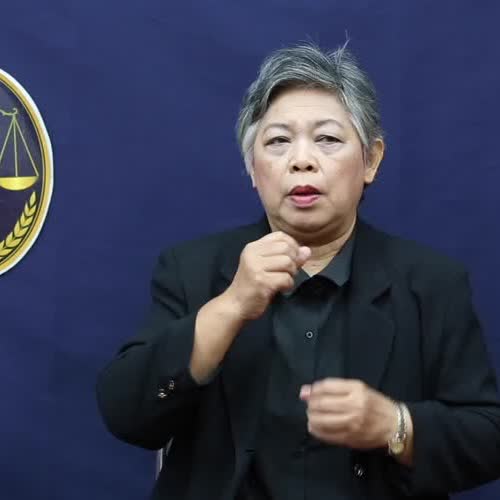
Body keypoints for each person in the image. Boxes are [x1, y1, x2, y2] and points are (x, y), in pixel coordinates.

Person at [96, 43, 500, 500]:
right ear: (253, 168)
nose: (302, 160)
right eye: (278, 141)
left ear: (371, 160)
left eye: (327, 139)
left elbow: (487, 437)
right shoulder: (192, 270)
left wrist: (395, 425)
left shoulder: (432, 282)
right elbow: (126, 414)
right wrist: (230, 306)